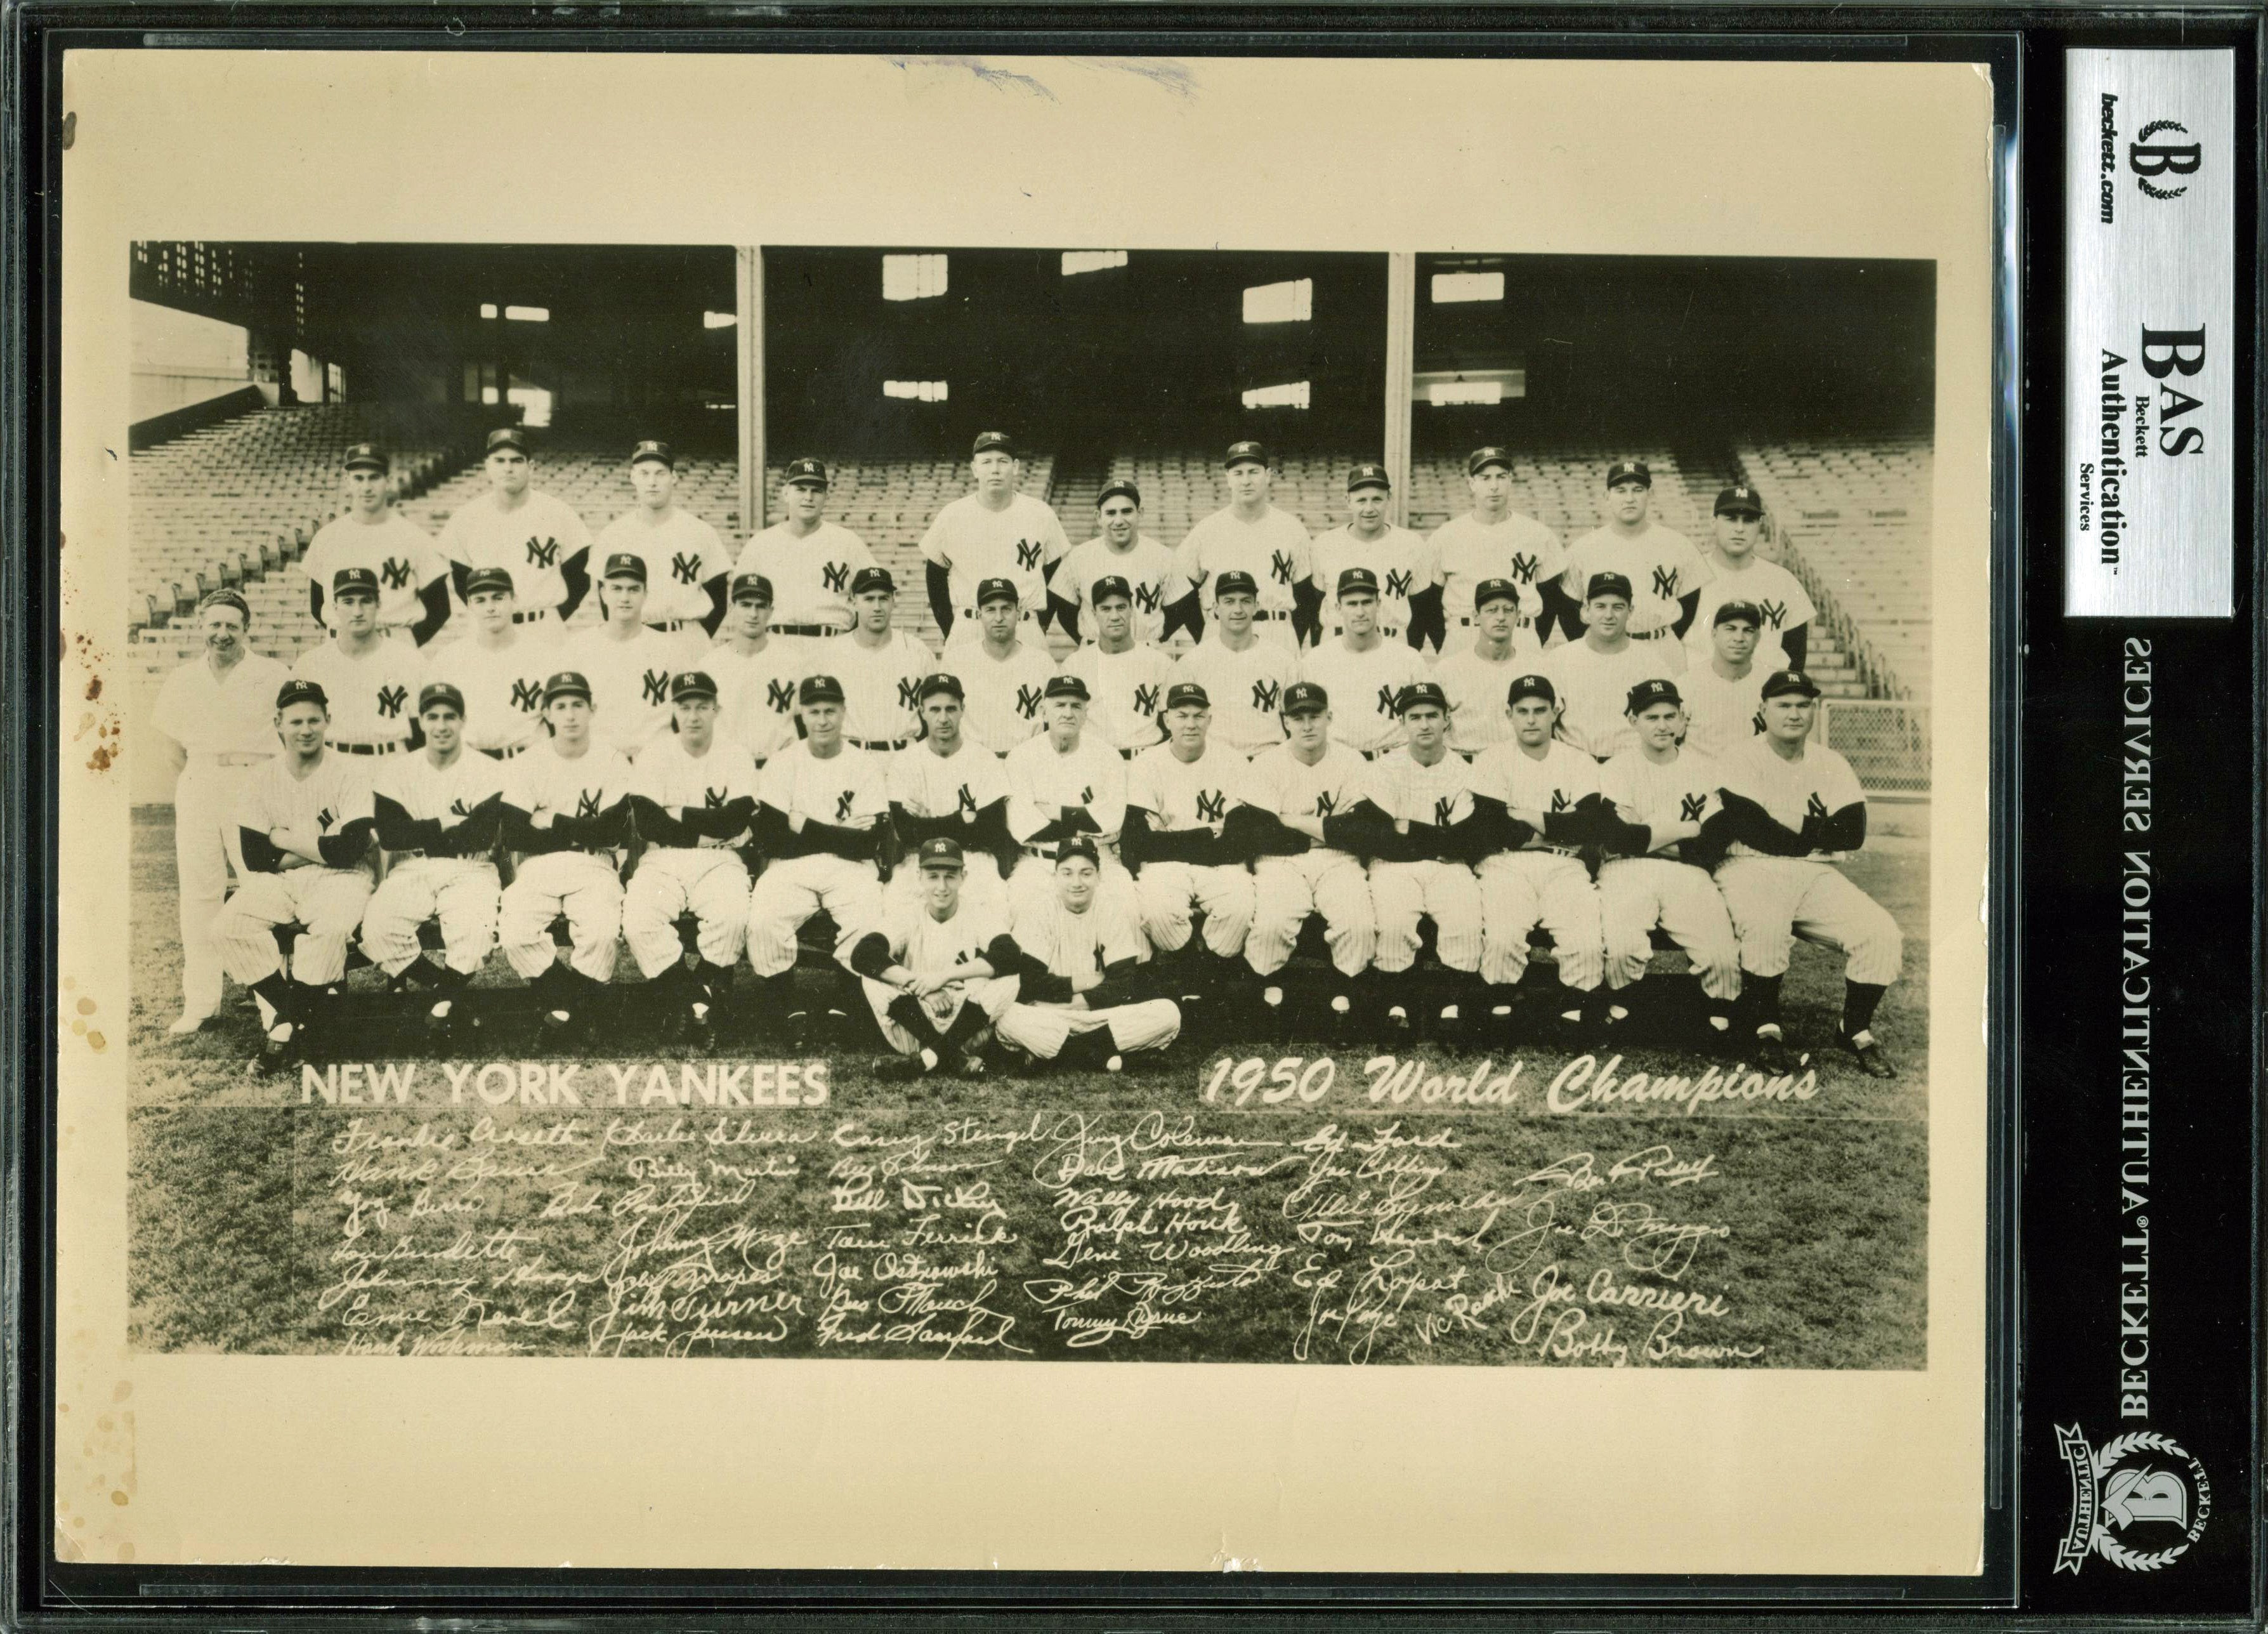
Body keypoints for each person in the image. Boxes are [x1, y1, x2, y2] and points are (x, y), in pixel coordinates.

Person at [1712, 669, 1903, 1077]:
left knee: (1880, 934)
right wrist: (1817, 832)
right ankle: (1766, 1031)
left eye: (1803, 705)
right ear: (1763, 710)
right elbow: (1751, 829)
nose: (1794, 713)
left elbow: (1853, 833)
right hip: (1747, 865)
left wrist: (1785, 821)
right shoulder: (1738, 756)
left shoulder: (1830, 762)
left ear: (1813, 710)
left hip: (1814, 872)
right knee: (1765, 927)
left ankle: (1854, 1029)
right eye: (1783, 705)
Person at [210, 679, 377, 1064]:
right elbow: (255, 858)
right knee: (228, 927)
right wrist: (322, 847)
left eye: (314, 720)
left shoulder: (350, 771)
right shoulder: (261, 777)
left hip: (345, 878)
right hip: (283, 880)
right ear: (278, 724)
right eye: (296, 721)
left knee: (331, 929)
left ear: (328, 720)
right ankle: (301, 1019)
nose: (305, 729)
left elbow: (351, 849)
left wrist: (283, 840)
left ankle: (285, 1025)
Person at [152, 588, 291, 1032]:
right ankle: (201, 1003)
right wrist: (200, 776)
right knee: (200, 894)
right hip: (200, 782)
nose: (222, 633)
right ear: (201, 627)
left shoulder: (272, 674)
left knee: (261, 890)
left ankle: (275, 1003)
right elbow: (172, 747)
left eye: (232, 625)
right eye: (214, 624)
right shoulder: (182, 679)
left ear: (246, 629)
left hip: (253, 782)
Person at [743, 674, 889, 1047]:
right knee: (764, 917)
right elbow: (771, 836)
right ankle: (787, 1004)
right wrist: (840, 834)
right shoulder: (783, 761)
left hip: (850, 868)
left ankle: (847, 1001)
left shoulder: (864, 763)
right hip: (792, 866)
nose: (823, 720)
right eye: (814, 711)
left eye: (830, 711)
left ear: (843, 713)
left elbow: (867, 844)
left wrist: (802, 823)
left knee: (868, 918)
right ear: (801, 715)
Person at [1230, 682, 1384, 1035]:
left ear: (1330, 717)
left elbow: (1363, 828)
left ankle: (1344, 1003)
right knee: (1271, 924)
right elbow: (1257, 832)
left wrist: (1293, 821)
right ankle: (1268, 1001)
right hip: (1280, 863)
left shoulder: (1351, 760)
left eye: (1315, 716)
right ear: (1285, 721)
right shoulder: (1268, 763)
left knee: (1358, 923)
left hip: (1340, 860)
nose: (1307, 725)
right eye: (1298, 718)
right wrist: (1328, 828)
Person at [358, 682, 508, 1039]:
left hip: (470, 867)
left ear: (463, 721)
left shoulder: (487, 768)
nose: (441, 725)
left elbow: (481, 836)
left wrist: (420, 829)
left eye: (450, 717)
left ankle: (442, 1003)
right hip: (413, 866)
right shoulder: (397, 770)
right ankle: (450, 994)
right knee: (378, 931)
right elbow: (393, 836)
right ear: (421, 722)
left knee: (475, 933)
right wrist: (445, 824)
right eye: (433, 717)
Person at [1596, 678, 1742, 1043]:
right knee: (1623, 944)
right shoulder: (1616, 768)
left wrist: (1646, 835)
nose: (1662, 725)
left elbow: (1711, 847)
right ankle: (1621, 1007)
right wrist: (1686, 829)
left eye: (1669, 716)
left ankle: (1719, 1016)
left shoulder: (1706, 769)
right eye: (1651, 717)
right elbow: (1617, 839)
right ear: (1633, 721)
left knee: (1721, 954)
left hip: (1687, 872)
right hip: (1625, 870)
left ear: (1682, 720)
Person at [1467, 673, 1610, 1039]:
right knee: (1502, 936)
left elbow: (1590, 826)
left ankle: (1573, 1010)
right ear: (1509, 714)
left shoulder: (1579, 761)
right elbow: (1490, 826)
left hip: (1565, 865)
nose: (1531, 719)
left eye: (1540, 710)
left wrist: (1525, 817)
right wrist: (1558, 826)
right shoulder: (1491, 759)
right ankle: (1500, 1003)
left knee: (1584, 940)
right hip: (1505, 863)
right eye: (1523, 711)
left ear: (1555, 712)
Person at [621, 671, 761, 1042]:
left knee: (732, 918)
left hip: (720, 858)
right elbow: (650, 825)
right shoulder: (655, 753)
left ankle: (686, 1000)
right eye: (686, 707)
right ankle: (696, 999)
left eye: (703, 706)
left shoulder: (735, 754)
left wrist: (680, 812)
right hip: (663, 860)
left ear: (717, 709)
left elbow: (735, 820)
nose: (694, 715)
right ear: (674, 711)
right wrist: (708, 823)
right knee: (638, 922)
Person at [496, 670, 636, 1039]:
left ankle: (566, 1010)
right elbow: (514, 832)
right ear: (546, 712)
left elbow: (612, 831)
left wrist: (551, 819)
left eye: (578, 705)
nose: (571, 715)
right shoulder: (529, 761)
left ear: (592, 709)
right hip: (538, 868)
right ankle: (573, 1002)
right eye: (561, 706)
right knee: (514, 933)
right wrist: (581, 827)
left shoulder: (612, 760)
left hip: (595, 864)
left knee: (603, 933)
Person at [1125, 682, 1257, 1035]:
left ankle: (1203, 986)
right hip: (1167, 866)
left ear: (1210, 719)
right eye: (1181, 715)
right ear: (1166, 719)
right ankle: (1200, 980)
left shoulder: (1231, 760)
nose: (1191, 723)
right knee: (1157, 911)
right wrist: (1205, 835)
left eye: (1199, 715)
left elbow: (1238, 840)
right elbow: (1142, 843)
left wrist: (1172, 838)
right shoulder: (1147, 762)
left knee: (1241, 909)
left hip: (1221, 864)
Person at [992, 838, 1183, 1072]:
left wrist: (1069, 1007)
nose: (1077, 883)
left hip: (1082, 1014)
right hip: (1050, 1016)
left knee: (1168, 1013)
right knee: (1007, 1017)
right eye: (1067, 873)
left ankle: (1064, 1056)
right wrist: (1087, 981)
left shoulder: (1111, 909)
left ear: (1099, 876)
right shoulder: (1040, 909)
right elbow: (1030, 982)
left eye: (1086, 873)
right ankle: (1106, 1058)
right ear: (1055, 877)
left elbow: (1123, 983)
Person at [1364, 681, 1486, 1037]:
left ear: (1447, 720)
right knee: (1394, 924)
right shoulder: (1385, 768)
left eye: (1432, 715)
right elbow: (1383, 837)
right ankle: (1396, 1008)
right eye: (1415, 716)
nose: (1424, 724)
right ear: (1402, 722)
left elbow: (1466, 840)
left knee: (1464, 923)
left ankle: (1452, 1010)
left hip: (1451, 866)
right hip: (1393, 867)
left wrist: (1409, 829)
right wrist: (1437, 839)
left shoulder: (1466, 770)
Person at [848, 837, 1019, 1079]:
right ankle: (951, 1057)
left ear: (963, 877)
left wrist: (943, 977)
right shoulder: (908, 914)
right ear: (919, 877)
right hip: (914, 1025)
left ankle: (927, 1060)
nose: (942, 886)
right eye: (933, 876)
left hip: (966, 1023)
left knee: (1011, 977)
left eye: (950, 876)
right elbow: (863, 954)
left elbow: (1010, 955)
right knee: (872, 975)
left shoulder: (978, 912)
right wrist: (921, 987)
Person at [1002, 673, 1138, 931]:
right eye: (1060, 705)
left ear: (1086, 714)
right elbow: (1023, 826)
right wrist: (1084, 816)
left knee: (1127, 908)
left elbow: (1112, 820)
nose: (1068, 713)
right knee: (1022, 906)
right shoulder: (1020, 757)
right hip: (1041, 860)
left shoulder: (1108, 756)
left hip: (1100, 858)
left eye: (1076, 706)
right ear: (1044, 711)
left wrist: (1053, 811)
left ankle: (1126, 972)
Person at [918, 430, 1070, 647]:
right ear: (974, 469)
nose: (995, 470)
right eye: (987, 462)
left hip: (1024, 624)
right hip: (970, 625)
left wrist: (1041, 623)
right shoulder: (952, 515)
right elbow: (935, 576)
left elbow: (1055, 572)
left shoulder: (1041, 514)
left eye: (1003, 461)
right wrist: (950, 627)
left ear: (1015, 467)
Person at [1165, 440, 1318, 649]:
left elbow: (1307, 598)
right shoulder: (1206, 530)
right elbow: (1182, 594)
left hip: (1276, 629)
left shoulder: (1292, 528)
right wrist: (1205, 634)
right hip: (1222, 631)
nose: (1246, 481)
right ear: (1228, 478)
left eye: (1253, 472)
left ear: (1268, 475)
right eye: (1238, 473)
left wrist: (1292, 641)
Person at [886, 673, 1016, 916]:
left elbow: (992, 830)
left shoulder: (984, 759)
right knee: (895, 910)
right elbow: (906, 831)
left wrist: (927, 823)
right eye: (935, 709)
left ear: (962, 710)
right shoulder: (904, 761)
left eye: (951, 709)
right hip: (919, 860)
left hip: (974, 860)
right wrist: (962, 820)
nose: (943, 718)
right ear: (921, 711)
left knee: (997, 911)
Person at [438, 427, 594, 628]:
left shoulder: (559, 513)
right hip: (489, 627)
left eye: (516, 460)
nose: (508, 468)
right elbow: (462, 583)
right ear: (487, 466)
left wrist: (551, 618)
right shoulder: (466, 517)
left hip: (542, 624)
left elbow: (580, 581)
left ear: (530, 466)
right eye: (500, 460)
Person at [299, 443, 450, 645]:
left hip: (393, 639)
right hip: (341, 644)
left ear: (387, 481)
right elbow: (317, 605)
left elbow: (440, 609)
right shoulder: (326, 538)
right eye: (359, 478)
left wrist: (405, 646)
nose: (367, 487)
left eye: (374, 478)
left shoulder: (415, 537)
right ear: (348, 482)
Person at [730, 458, 878, 661]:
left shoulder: (848, 543)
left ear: (825, 496)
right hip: (775, 645)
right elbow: (739, 603)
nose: (809, 497)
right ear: (786, 493)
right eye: (801, 489)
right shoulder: (760, 544)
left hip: (833, 644)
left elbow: (874, 593)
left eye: (816, 490)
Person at [558, 553, 700, 760]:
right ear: (603, 593)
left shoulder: (670, 649)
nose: (625, 598)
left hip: (656, 762)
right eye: (617, 589)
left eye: (633, 589)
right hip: (599, 762)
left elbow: (691, 709)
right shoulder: (578, 648)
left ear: (646, 595)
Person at [1556, 459, 1710, 645]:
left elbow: (1688, 605)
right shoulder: (1582, 548)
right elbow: (1567, 610)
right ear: (1607, 496)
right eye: (1621, 490)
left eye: (1638, 490)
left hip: (1660, 642)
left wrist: (1665, 639)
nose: (1629, 499)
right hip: (1605, 646)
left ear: (1650, 494)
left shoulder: (1679, 545)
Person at [1426, 447, 1564, 656]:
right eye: (1485, 478)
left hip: (1521, 634)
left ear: (1511, 480)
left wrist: (1530, 635)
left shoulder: (1538, 534)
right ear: (1472, 483)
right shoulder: (1446, 535)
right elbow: (1430, 600)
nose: (1494, 486)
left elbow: (1551, 597)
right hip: (1464, 633)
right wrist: (1447, 642)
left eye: (1501, 477)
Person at [591, 439, 732, 635]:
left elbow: (719, 601)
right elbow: (607, 602)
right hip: (636, 637)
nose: (652, 482)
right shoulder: (612, 534)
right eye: (644, 473)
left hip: (686, 635)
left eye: (660, 473)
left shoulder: (701, 532)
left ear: (673, 477)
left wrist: (695, 637)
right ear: (633, 477)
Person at [418, 567, 559, 760]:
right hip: (471, 764)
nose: (490, 607)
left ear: (514, 599)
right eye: (480, 600)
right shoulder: (449, 659)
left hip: (527, 761)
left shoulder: (544, 655)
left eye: (498, 598)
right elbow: (432, 723)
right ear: (469, 604)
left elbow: (558, 721)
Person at [1544, 572, 1684, 761]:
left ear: (1631, 611)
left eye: (1618, 607)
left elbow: (1670, 723)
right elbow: (1543, 721)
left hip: (1631, 765)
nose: (1609, 615)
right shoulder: (1560, 659)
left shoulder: (1651, 662)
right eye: (1600, 606)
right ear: (1586, 610)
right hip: (1574, 764)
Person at [1296, 568, 1428, 759]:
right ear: (1338, 608)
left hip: (1393, 760)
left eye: (1367, 602)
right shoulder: (1316, 660)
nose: (1360, 612)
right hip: (1339, 762)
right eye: (1352, 604)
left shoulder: (1408, 658)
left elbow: (1425, 717)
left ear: (1379, 604)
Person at [292, 568, 426, 757]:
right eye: (348, 602)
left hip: (389, 758)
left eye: (366, 601)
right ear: (335, 607)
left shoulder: (409, 659)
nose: (357, 611)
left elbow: (422, 729)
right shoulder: (310, 664)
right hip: (332, 760)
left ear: (379, 604)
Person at [1686, 483, 1813, 673]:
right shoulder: (1689, 577)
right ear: (1713, 522)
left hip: (1765, 692)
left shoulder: (1783, 581)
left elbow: (1796, 656)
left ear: (1759, 525)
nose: (1740, 528)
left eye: (1748, 521)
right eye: (1731, 519)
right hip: (1703, 693)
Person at [1176, 570, 1301, 759]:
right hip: (1215, 763)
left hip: (1267, 760)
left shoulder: (1282, 660)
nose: (1238, 609)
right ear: (1216, 608)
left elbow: (1295, 721)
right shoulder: (1193, 661)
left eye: (1245, 601)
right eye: (1229, 601)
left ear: (1257, 606)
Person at [1310, 463, 1439, 648]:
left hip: (1393, 642)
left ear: (1389, 498)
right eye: (1361, 500)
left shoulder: (1412, 544)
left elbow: (1422, 610)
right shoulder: (1325, 544)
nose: (1369, 508)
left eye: (1377, 499)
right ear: (1348, 500)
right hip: (1337, 644)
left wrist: (1410, 652)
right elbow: (1315, 607)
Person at [1049, 480, 1183, 645]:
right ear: (1099, 517)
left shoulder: (1163, 556)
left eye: (1127, 512)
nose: (1119, 521)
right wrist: (1085, 640)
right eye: (1111, 513)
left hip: (1146, 649)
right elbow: (1064, 608)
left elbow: (1179, 608)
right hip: (1096, 651)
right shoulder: (1079, 557)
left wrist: (1157, 639)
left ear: (1140, 513)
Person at [818, 566, 935, 753]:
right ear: (853, 601)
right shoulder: (833, 653)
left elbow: (936, 710)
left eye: (884, 598)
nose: (877, 607)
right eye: (869, 599)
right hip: (852, 756)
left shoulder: (917, 651)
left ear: (893, 602)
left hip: (904, 755)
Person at [1059, 575, 1176, 758]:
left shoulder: (1160, 663)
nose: (1115, 616)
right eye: (1106, 609)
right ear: (1094, 613)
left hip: (1144, 760)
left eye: (1121, 607)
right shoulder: (1074, 665)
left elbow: (1172, 723)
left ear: (1132, 610)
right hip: (1095, 761)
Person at [708, 572, 809, 768]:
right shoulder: (711, 665)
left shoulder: (793, 663)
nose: (753, 614)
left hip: (780, 769)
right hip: (729, 770)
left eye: (761, 606)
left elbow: (806, 724)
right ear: (732, 608)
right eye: (746, 605)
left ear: (771, 611)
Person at [1434, 578, 1539, 758]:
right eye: (1491, 610)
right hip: (1466, 767)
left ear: (1518, 615)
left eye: (1508, 610)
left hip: (1520, 766)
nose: (1500, 617)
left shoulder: (1536, 667)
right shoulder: (1448, 669)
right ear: (1476, 615)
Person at [952, 577, 1057, 756]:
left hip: (1027, 762)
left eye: (1006, 609)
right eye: (991, 610)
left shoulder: (1042, 662)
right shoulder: (957, 661)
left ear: (1018, 613)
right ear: (980, 615)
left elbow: (1054, 721)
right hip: (975, 762)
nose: (999, 618)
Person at [1679, 600, 1771, 760]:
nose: (1739, 638)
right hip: (1702, 778)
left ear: (1758, 637)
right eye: (1730, 629)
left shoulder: (1771, 683)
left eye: (1748, 630)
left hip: (1753, 777)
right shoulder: (1687, 683)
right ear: (1714, 634)